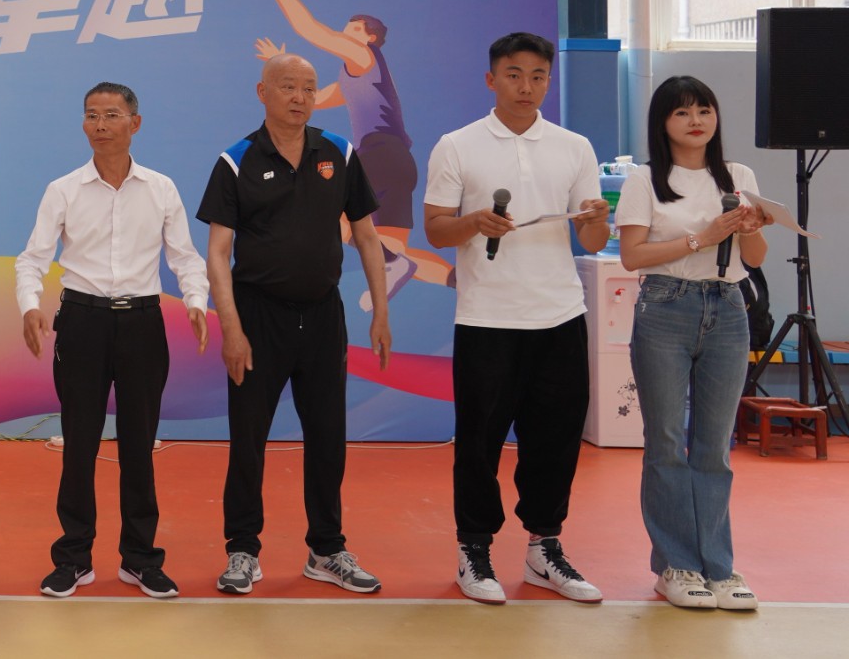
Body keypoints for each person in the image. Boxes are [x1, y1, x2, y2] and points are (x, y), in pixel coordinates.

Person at [423, 32, 611, 605]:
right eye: (513, 74)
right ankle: (474, 550)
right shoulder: (457, 145)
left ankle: (543, 548)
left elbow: (592, 238)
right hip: (487, 317)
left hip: (560, 314)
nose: (526, 86)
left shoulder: (575, 147)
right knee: (478, 444)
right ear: (491, 79)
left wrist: (597, 219)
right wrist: (475, 222)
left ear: (549, 81)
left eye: (537, 76)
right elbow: (435, 229)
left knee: (555, 440)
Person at [200, 54, 392, 597]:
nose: (300, 97)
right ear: (263, 91)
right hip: (258, 318)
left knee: (328, 437)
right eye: (288, 86)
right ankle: (243, 550)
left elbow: (367, 236)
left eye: (309, 88)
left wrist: (381, 311)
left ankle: (327, 549)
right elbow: (218, 253)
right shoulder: (236, 160)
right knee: (248, 440)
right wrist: (232, 328)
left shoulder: (338, 153)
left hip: (324, 316)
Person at [16, 81, 209, 601]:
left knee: (139, 444)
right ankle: (73, 558)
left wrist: (195, 299)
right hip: (82, 322)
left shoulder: (161, 188)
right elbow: (32, 258)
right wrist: (30, 306)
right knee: (78, 443)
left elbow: (185, 257)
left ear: (135, 123)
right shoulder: (64, 189)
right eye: (91, 115)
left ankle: (141, 559)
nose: (100, 125)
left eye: (111, 115)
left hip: (143, 323)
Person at [617, 76, 768, 611]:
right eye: (682, 112)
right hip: (665, 306)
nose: (696, 120)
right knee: (664, 441)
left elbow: (755, 257)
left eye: (704, 109)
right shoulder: (644, 179)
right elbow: (632, 256)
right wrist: (701, 237)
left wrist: (748, 226)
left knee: (715, 445)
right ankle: (676, 565)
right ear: (663, 122)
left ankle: (719, 567)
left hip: (728, 307)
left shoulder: (739, 175)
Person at [244, 0, 451, 298]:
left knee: (329, 213)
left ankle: (389, 262)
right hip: (397, 162)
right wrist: (281, 66)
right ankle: (467, 282)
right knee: (395, 254)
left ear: (370, 37)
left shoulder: (364, 54)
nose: (344, 32)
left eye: (353, 28)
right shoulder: (354, 77)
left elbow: (310, 29)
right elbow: (311, 99)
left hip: (378, 153)